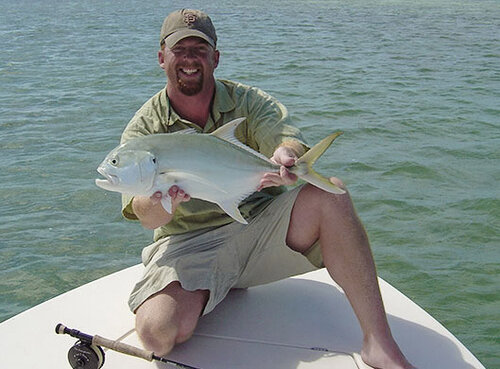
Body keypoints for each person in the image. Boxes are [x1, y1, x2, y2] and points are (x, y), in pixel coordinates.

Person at [120, 9, 414, 369]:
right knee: (156, 334)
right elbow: (145, 217)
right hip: (188, 246)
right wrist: (161, 201)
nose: (190, 59)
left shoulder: (248, 102)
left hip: (257, 228)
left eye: (200, 49)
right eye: (180, 49)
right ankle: (214, 287)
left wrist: (285, 155)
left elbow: (283, 134)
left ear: (215, 57)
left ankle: (379, 344)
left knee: (331, 194)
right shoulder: (144, 131)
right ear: (162, 57)